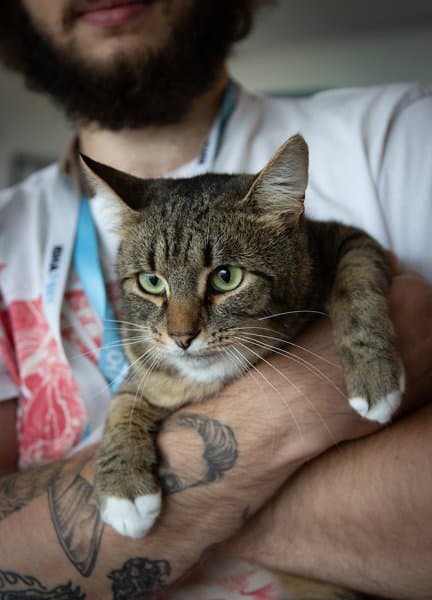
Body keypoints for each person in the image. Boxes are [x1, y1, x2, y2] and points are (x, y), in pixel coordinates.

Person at [0, 1, 431, 598]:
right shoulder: (10, 230)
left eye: (222, 279)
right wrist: (298, 411)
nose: (182, 329)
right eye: (152, 285)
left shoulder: (403, 135)